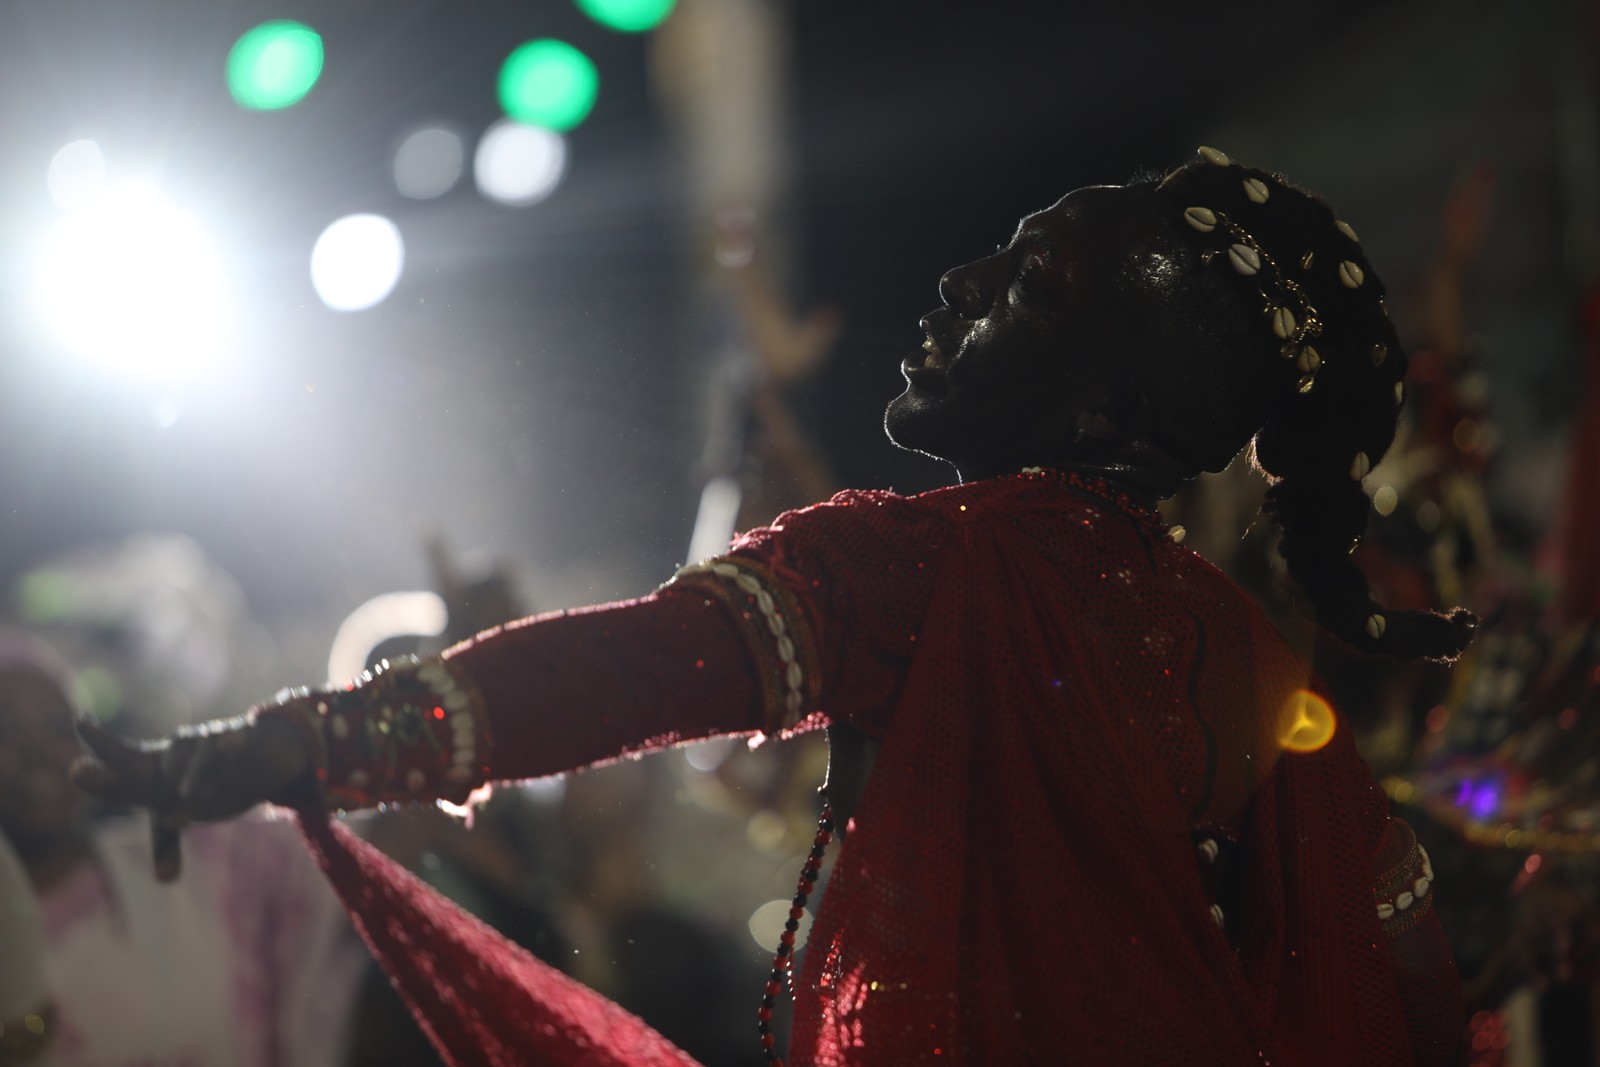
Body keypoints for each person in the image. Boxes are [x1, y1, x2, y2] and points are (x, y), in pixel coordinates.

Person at [76, 148, 1477, 1066]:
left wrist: (311, 739)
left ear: (1111, 401)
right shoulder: (1242, 649)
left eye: (1027, 282)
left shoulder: (919, 562)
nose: (956, 284)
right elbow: (1399, 958)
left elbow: (635, 669)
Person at [0, 635, 366, 1067]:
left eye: (57, 729)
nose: (37, 753)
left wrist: (272, 753)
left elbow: (359, 871)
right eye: (4, 732)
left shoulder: (205, 861)